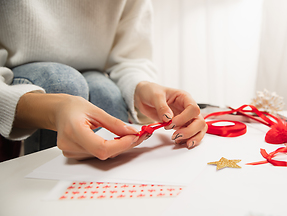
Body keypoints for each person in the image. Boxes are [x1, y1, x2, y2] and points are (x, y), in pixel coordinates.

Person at [0, 0, 207, 160]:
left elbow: (130, 57)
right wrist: (54, 110)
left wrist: (142, 86)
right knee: (63, 83)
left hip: (94, 73)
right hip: (14, 76)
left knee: (106, 95)